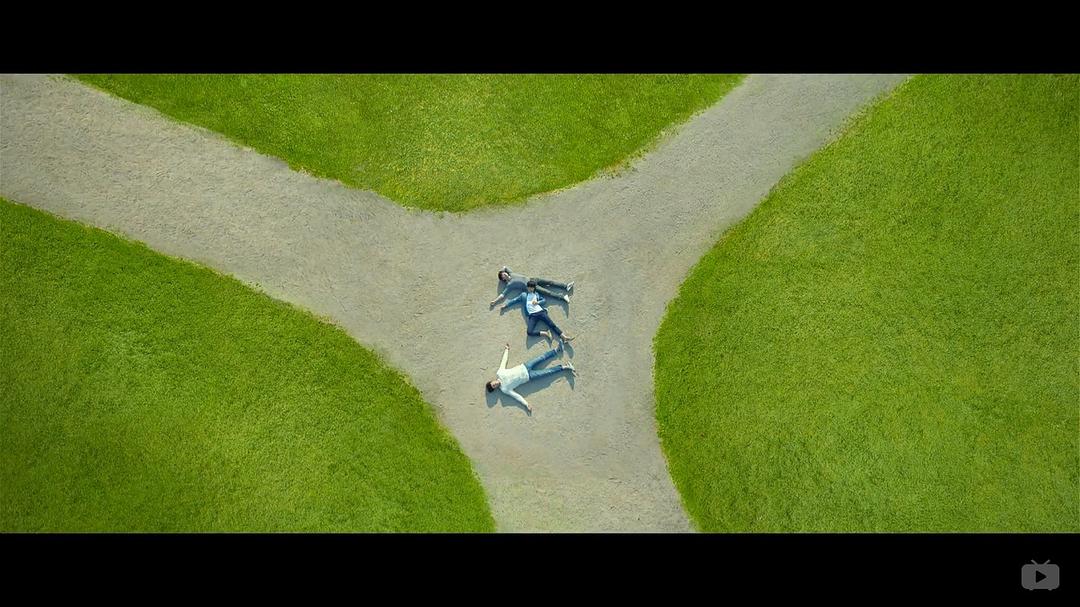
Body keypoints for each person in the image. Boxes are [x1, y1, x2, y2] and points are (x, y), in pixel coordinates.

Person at [486, 341, 576, 413]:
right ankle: (564, 367)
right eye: (494, 387)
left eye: (493, 384)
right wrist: (526, 404)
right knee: (547, 372)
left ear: (492, 381)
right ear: (495, 388)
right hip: (529, 376)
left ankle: (557, 350)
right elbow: (516, 396)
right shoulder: (504, 389)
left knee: (542, 358)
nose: (495, 385)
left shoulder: (500, 373)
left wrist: (506, 350)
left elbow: (503, 361)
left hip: (525, 366)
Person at [501, 280, 575, 342]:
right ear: (527, 287)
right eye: (529, 287)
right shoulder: (523, 295)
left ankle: (564, 337)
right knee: (529, 332)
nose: (531, 289)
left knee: (551, 325)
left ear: (534, 288)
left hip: (540, 312)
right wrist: (506, 305)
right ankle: (545, 333)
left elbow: (544, 300)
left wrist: (538, 302)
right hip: (532, 316)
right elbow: (514, 300)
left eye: (532, 288)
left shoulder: (536, 294)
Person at [490, 266, 574, 307]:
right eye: (503, 275)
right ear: (503, 279)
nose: (504, 274)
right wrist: (495, 301)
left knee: (550, 282)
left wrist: (501, 270)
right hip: (531, 286)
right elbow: (502, 295)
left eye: (504, 273)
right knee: (548, 293)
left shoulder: (511, 273)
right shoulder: (509, 285)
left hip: (533, 279)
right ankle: (563, 298)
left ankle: (566, 286)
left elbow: (504, 267)